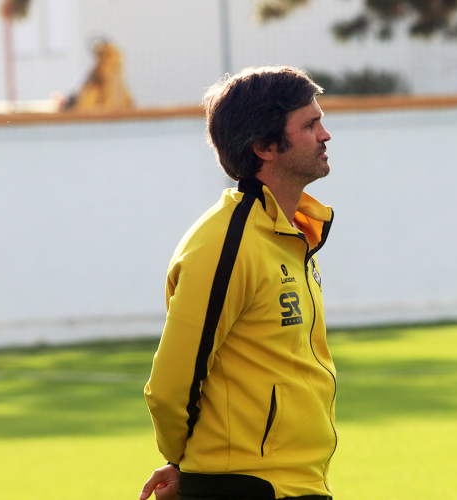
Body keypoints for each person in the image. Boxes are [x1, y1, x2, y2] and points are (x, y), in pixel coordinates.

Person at [139, 66, 336, 500]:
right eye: (309, 125)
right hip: (246, 487)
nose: (325, 135)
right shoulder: (224, 244)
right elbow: (171, 385)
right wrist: (189, 466)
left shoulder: (292, 234)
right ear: (265, 147)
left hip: (298, 484)